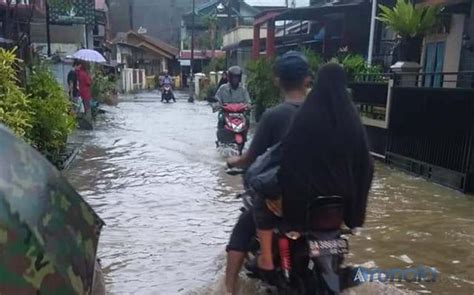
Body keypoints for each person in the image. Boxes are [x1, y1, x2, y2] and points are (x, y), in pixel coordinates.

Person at [255, 63, 374, 272]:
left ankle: (266, 258)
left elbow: (288, 158)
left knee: (263, 201)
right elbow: (366, 166)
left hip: (304, 204)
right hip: (339, 205)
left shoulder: (307, 115)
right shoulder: (351, 120)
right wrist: (356, 214)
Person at [224, 52, 312, 294]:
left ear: (277, 81)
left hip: (281, 200)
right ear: (307, 79)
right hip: (317, 199)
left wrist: (233, 160)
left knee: (242, 228)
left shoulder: (274, 116)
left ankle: (227, 289)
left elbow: (250, 158)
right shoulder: (322, 114)